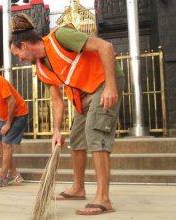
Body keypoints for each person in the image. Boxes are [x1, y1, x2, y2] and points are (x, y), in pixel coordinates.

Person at [9, 13, 125, 215]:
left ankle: (103, 198)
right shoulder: (41, 69)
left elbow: (105, 47)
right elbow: (56, 101)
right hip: (85, 95)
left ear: (24, 46)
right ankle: (78, 188)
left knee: (96, 133)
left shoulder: (60, 37)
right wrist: (55, 131)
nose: (19, 60)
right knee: (76, 138)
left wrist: (111, 87)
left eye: (18, 55)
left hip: (104, 82)